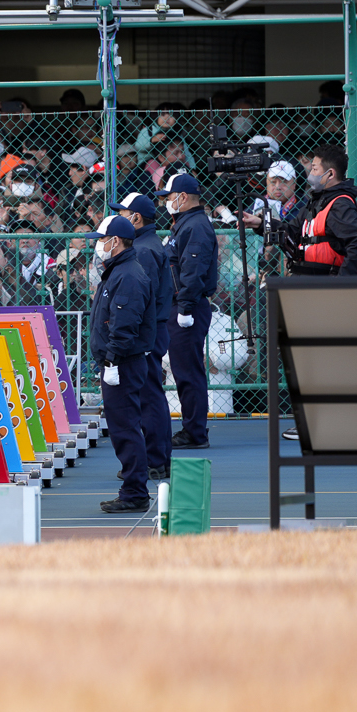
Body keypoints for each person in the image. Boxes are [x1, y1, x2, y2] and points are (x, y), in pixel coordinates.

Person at [88, 214, 155, 513]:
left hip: (123, 363)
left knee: (125, 427)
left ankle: (135, 492)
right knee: (123, 427)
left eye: (102, 240)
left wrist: (113, 359)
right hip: (119, 361)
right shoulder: (119, 271)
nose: (99, 245)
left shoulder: (127, 274)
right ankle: (133, 488)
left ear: (115, 241)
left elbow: (124, 323)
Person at [114, 191, 172, 481]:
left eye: (123, 214)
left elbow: (140, 298)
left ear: (135, 217)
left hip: (147, 332)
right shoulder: (147, 244)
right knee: (149, 393)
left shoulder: (144, 250)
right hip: (152, 328)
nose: (119, 218)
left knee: (148, 395)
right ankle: (156, 457)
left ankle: (156, 459)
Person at [161, 172, 217, 449]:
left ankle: (195, 432)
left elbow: (192, 272)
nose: (166, 202)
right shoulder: (186, 224)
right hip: (184, 304)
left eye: (169, 197)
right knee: (185, 370)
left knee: (187, 371)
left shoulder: (194, 226)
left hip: (188, 306)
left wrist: (184, 308)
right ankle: (193, 429)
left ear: (182, 197)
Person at [269, 145, 357, 277]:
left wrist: (342, 281)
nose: (311, 174)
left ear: (330, 174)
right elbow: (291, 231)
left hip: (325, 284)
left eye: (314, 169)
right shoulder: (316, 201)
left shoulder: (340, 204)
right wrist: (261, 223)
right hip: (306, 280)